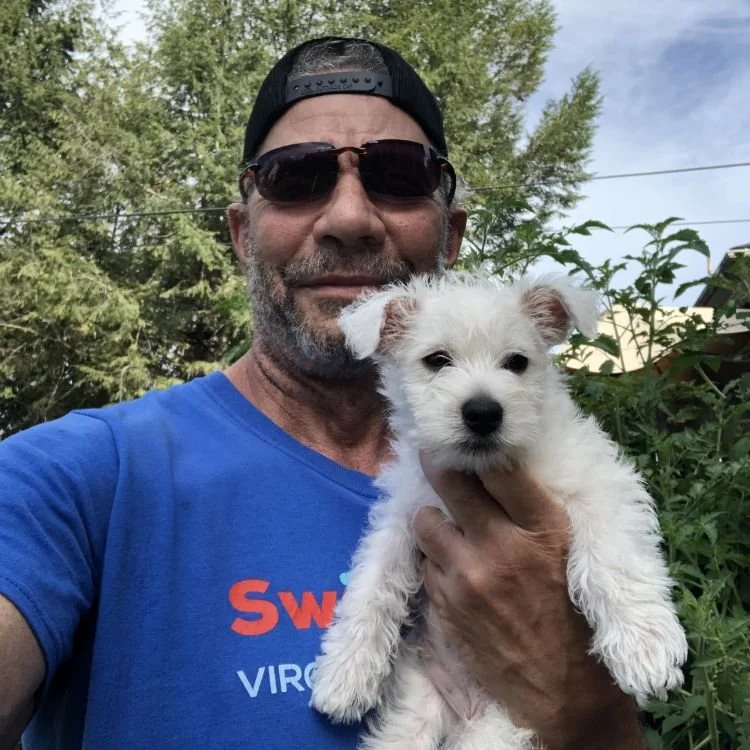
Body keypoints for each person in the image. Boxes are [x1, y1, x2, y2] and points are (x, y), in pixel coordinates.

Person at [0, 36, 646, 749]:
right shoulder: (73, 479)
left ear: (451, 235)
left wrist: (588, 711)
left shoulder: (542, 470)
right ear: (242, 234)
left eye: (398, 174)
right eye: (295, 176)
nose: (348, 219)